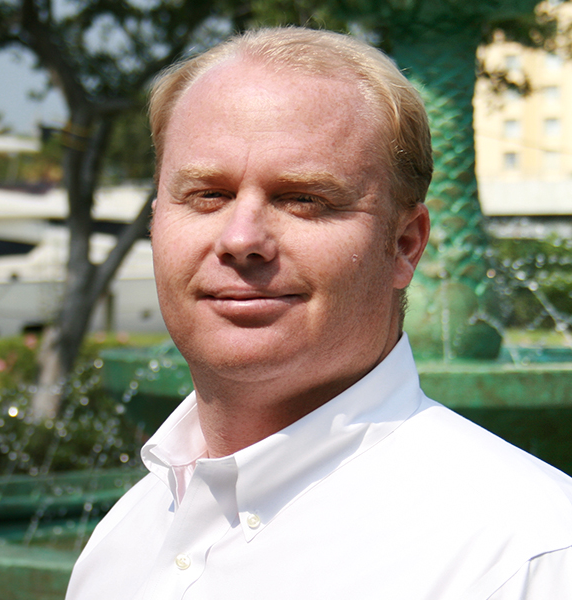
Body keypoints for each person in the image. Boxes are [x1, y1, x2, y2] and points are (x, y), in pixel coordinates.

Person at [66, 27, 572, 600]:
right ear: (157, 222)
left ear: (404, 245)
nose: (241, 239)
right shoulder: (122, 542)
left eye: (303, 199)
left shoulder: (523, 559)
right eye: (208, 194)